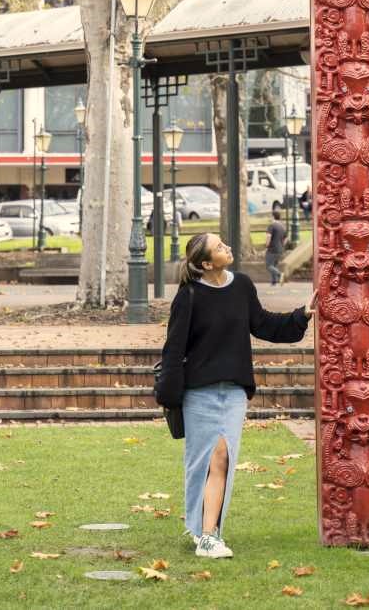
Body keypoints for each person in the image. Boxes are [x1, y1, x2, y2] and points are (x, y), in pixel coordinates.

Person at [154, 233, 317, 561]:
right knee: (208, 461)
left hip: (234, 393)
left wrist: (302, 315)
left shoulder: (241, 285)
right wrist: (170, 397)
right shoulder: (188, 297)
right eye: (219, 247)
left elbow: (263, 324)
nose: (226, 246)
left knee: (224, 459)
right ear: (205, 263)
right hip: (198, 394)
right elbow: (173, 350)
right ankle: (206, 534)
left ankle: (207, 532)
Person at [265, 207, 286, 286]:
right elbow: (286, 238)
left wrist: (266, 245)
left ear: (273, 216)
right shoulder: (282, 226)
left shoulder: (272, 226)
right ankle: (273, 282)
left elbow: (268, 237)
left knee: (268, 266)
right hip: (280, 249)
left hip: (272, 249)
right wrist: (282, 245)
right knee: (274, 265)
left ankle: (280, 275)